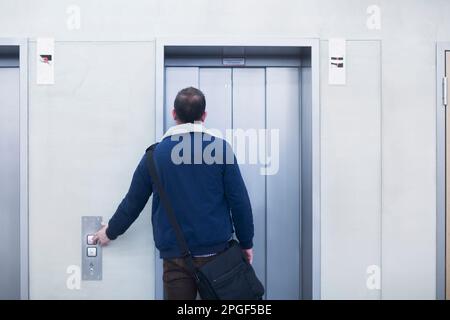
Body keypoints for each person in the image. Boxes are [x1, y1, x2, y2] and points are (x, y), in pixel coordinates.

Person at [93, 87, 254, 300]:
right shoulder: (221, 150)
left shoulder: (154, 156)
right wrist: (246, 243)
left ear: (174, 114)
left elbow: (133, 202)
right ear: (203, 116)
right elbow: (239, 202)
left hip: (176, 259)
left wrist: (109, 232)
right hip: (218, 257)